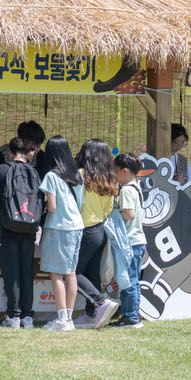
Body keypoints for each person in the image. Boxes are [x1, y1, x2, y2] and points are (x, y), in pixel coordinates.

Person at [0, 137, 41, 328]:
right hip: (29, 228)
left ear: (10, 153)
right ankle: (27, 315)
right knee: (27, 271)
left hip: (6, 227)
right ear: (30, 153)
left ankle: (13, 315)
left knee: (11, 272)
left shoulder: (1, 170)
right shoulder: (34, 173)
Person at [36, 136, 87, 332]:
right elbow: (80, 204)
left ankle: (61, 319)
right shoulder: (77, 176)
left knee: (56, 273)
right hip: (77, 225)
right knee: (70, 272)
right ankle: (69, 318)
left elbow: (52, 207)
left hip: (59, 227)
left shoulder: (51, 176)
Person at [70, 140, 119, 329]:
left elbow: (74, 203)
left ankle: (100, 301)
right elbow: (108, 209)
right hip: (100, 229)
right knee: (93, 274)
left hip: (83, 229)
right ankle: (92, 315)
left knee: (72, 272)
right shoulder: (109, 178)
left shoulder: (81, 175)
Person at [110, 153, 149, 328]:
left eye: (115, 170)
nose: (114, 174)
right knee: (133, 279)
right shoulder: (136, 188)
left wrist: (116, 213)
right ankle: (132, 313)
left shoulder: (126, 190)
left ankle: (130, 316)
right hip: (138, 240)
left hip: (130, 241)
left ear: (124, 171)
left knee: (128, 280)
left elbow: (129, 214)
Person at [0, 120, 47, 212]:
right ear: (21, 140)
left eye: (38, 146)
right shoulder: (0, 155)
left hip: (28, 209)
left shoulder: (41, 157)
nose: (35, 150)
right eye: (33, 145)